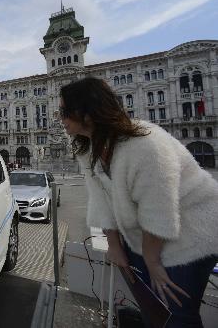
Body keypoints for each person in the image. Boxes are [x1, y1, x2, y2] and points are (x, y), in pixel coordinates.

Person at [59, 77, 218, 328]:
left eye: (65, 111)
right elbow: (100, 198)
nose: (60, 118)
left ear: (87, 111)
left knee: (175, 312)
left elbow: (158, 208)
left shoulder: (145, 143)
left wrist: (152, 261)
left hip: (193, 232)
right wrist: (114, 245)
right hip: (147, 234)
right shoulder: (89, 148)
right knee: (152, 306)